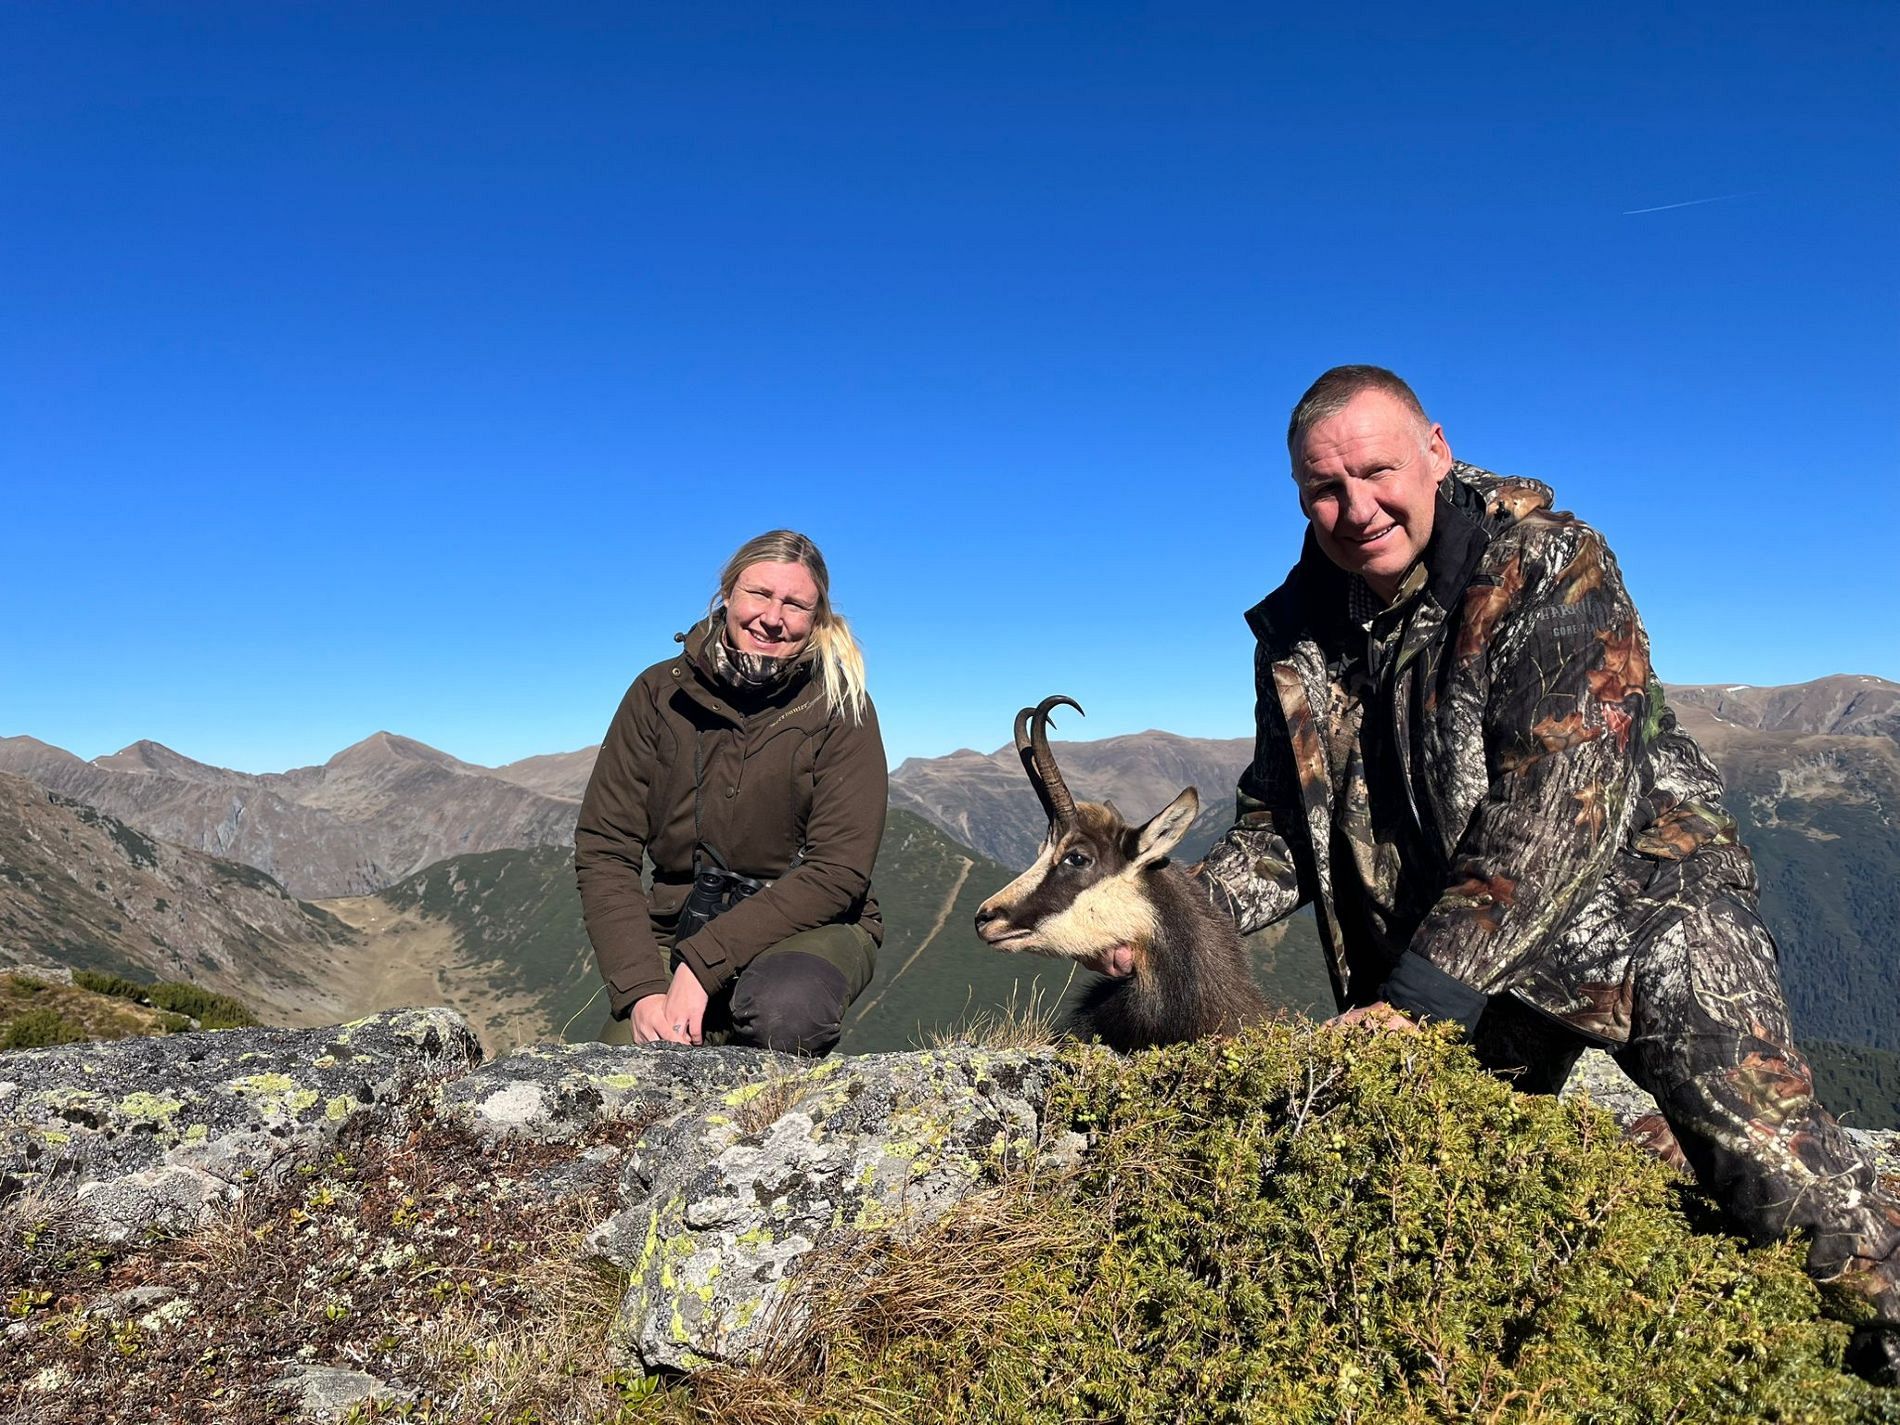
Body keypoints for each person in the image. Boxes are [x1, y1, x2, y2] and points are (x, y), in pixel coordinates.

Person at [1197, 365, 1900, 1384]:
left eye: (1378, 472)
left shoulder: (1549, 566)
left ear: (1435, 450)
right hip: (1461, 947)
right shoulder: (1300, 638)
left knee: (1789, 1193)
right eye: (1322, 489)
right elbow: (1276, 826)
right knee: (1415, 1193)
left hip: (1643, 912)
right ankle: (1657, 1150)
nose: (1355, 510)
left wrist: (1417, 1001)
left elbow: (1557, 802)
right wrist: (1167, 914)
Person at [575, 530, 885, 1056]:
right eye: (759, 594)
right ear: (727, 594)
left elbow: (838, 871)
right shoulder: (657, 695)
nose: (773, 617)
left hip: (808, 925)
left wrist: (703, 964)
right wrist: (642, 990)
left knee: (788, 1013)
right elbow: (605, 848)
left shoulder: (840, 707)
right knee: (627, 1065)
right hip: (677, 926)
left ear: (816, 619)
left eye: (795, 604)